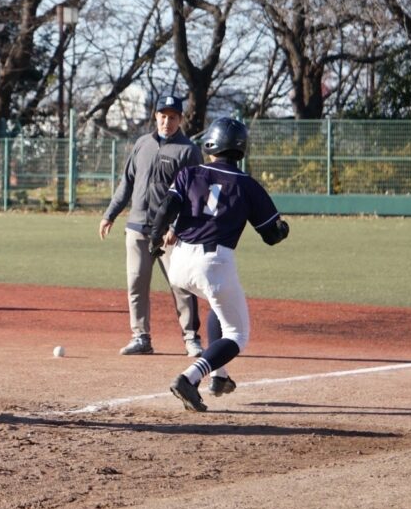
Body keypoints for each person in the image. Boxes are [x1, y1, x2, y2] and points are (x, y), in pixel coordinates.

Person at [147, 117, 290, 412]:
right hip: (214, 263)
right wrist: (283, 229)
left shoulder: (189, 173)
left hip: (180, 261)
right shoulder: (247, 184)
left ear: (210, 143)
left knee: (218, 304)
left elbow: (166, 208)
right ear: (241, 148)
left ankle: (219, 377)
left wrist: (153, 239)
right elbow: (271, 235)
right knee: (238, 334)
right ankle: (190, 377)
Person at [99, 91, 204, 357]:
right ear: (155, 116)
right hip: (136, 227)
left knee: (181, 285)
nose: (166, 121)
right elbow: (127, 182)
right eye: (162, 116)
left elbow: (194, 196)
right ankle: (140, 337)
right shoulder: (142, 144)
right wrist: (110, 214)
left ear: (180, 119)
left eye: (172, 117)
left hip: (170, 233)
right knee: (136, 283)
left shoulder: (188, 151)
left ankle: (191, 338)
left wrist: (176, 228)